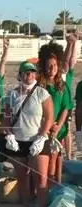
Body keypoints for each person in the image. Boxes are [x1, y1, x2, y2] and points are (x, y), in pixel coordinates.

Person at [3, 61, 53, 207]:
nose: (29, 75)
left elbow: (49, 117)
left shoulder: (41, 93)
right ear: (20, 75)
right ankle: (27, 206)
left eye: (32, 72)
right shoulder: (12, 94)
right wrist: (9, 134)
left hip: (37, 140)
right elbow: (6, 117)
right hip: (18, 142)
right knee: (22, 178)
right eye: (26, 72)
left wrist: (42, 136)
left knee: (41, 178)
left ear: (36, 75)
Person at [37, 45, 71, 185]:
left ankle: (53, 187)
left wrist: (58, 126)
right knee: (42, 160)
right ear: (44, 67)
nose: (52, 69)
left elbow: (66, 107)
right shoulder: (39, 84)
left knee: (55, 159)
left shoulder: (62, 85)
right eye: (49, 66)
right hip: (42, 127)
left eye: (55, 65)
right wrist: (48, 125)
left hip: (58, 129)